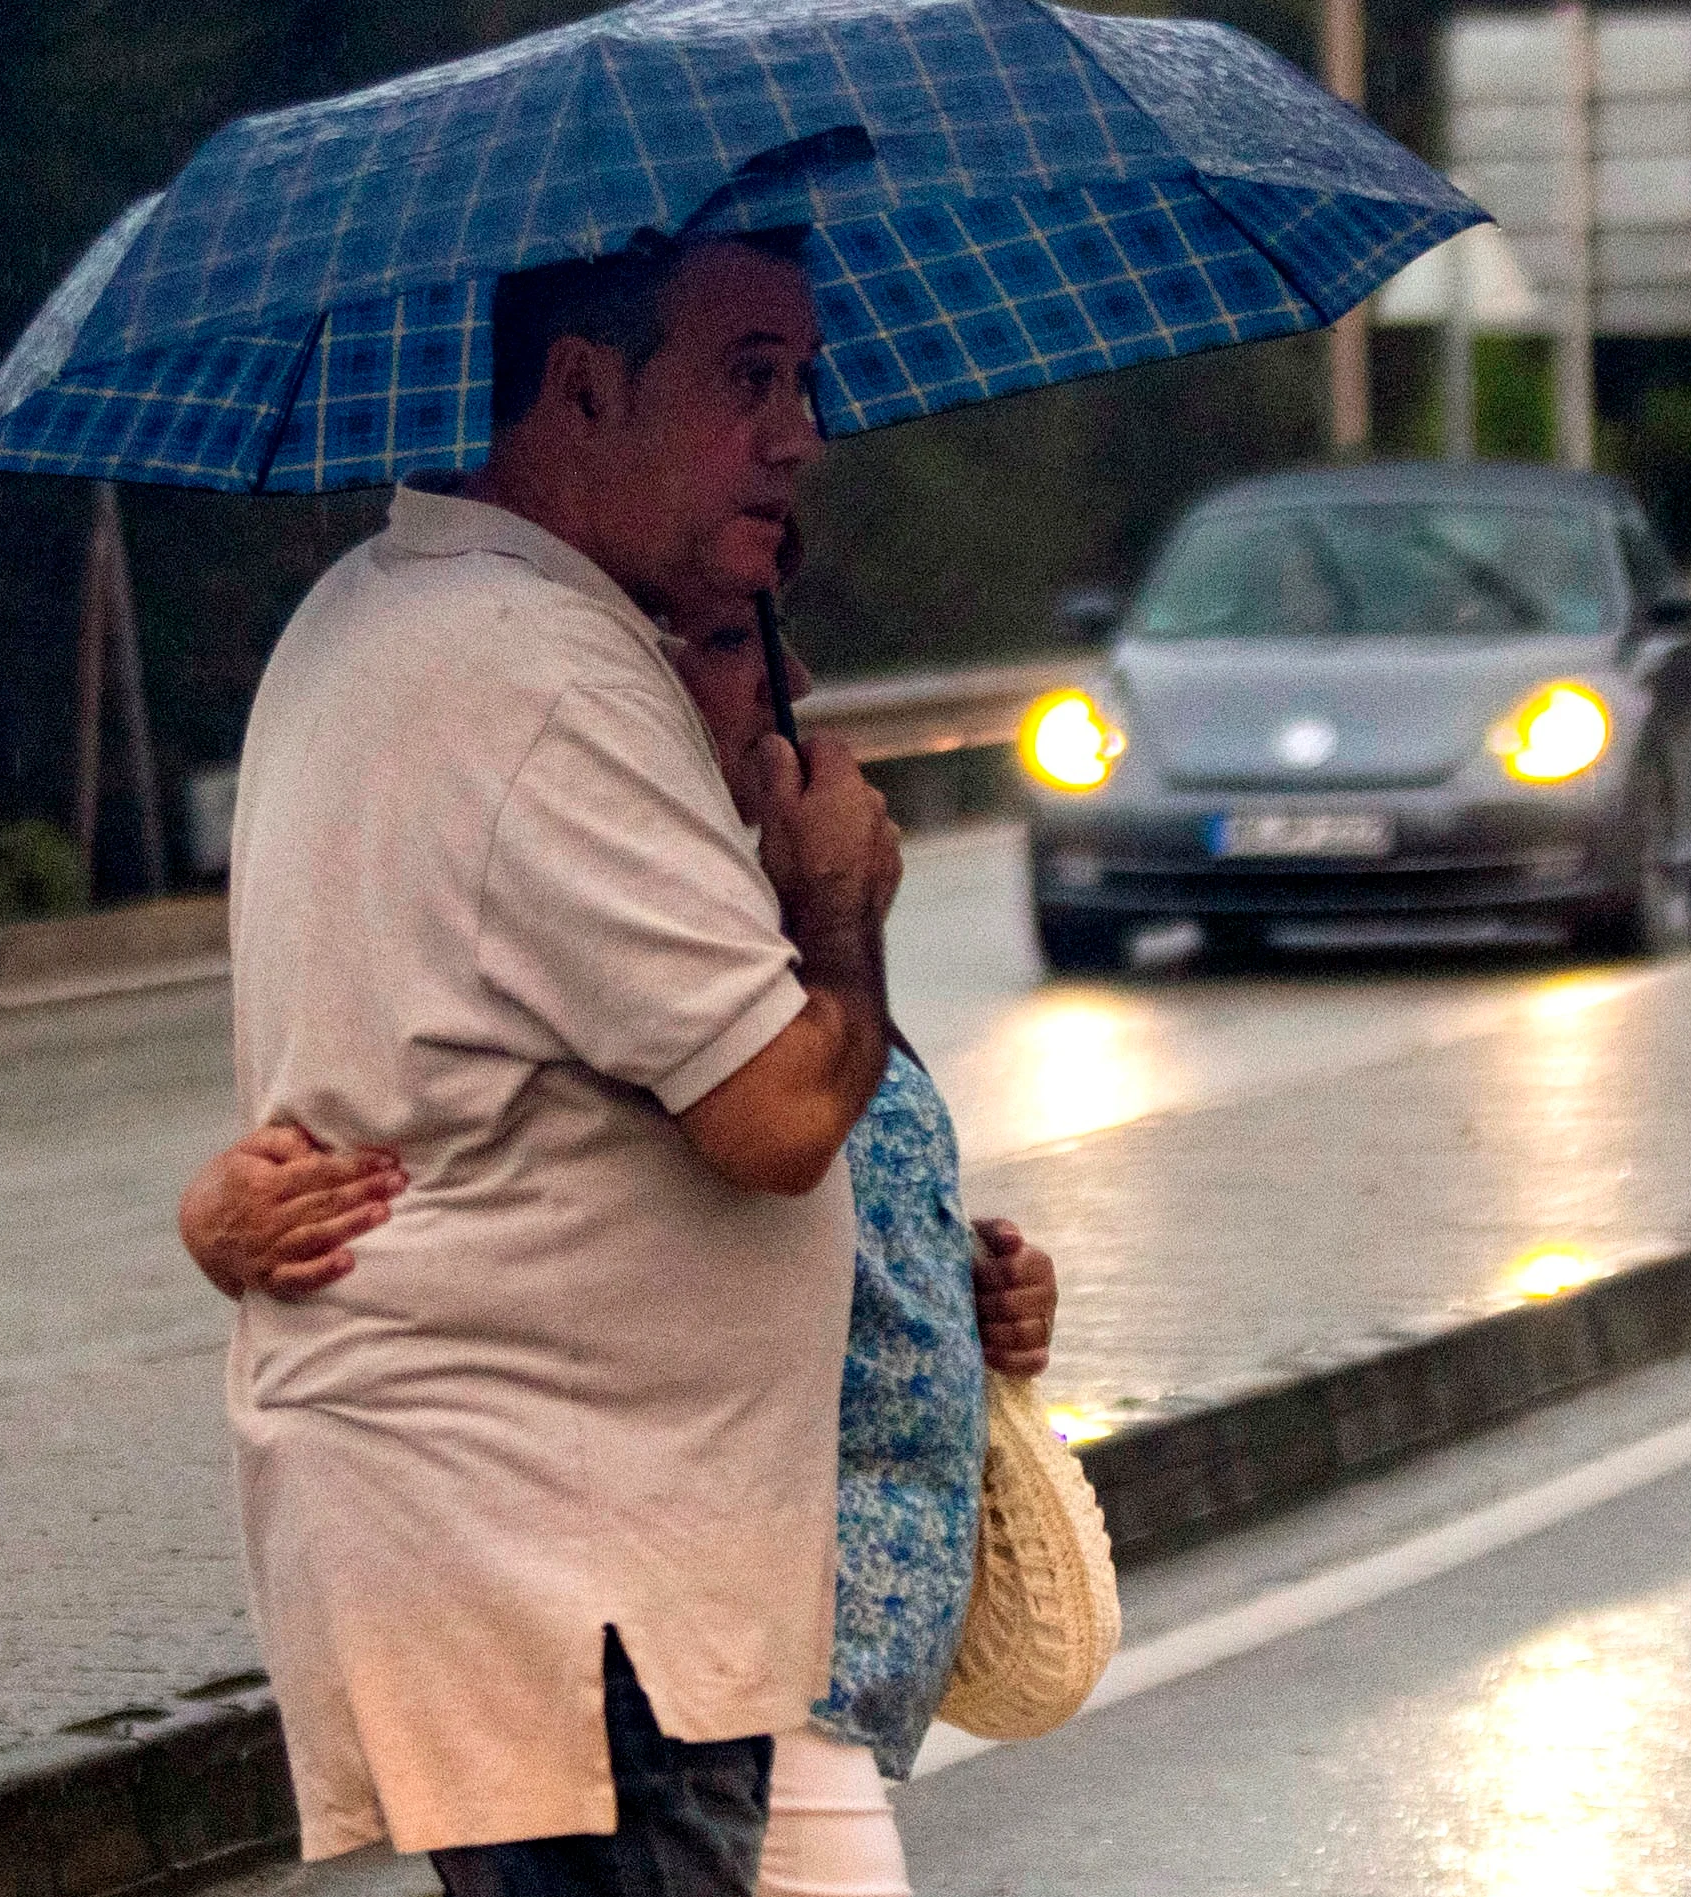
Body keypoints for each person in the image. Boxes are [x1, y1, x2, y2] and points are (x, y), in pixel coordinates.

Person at [216, 225, 900, 1893]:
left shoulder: (379, 609)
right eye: (749, 379)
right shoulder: (541, 673)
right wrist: (843, 911)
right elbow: (777, 1115)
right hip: (577, 1572)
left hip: (538, 1553)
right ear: (585, 387)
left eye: (802, 379)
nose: (800, 430)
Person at [188, 591, 1060, 1896]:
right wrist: (215, 1224)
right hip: (723, 1647)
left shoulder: (755, 948)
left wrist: (979, 1281)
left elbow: (805, 1206)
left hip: (812, 1656)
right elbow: (462, 1176)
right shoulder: (647, 909)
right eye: (725, 642)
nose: (790, 673)